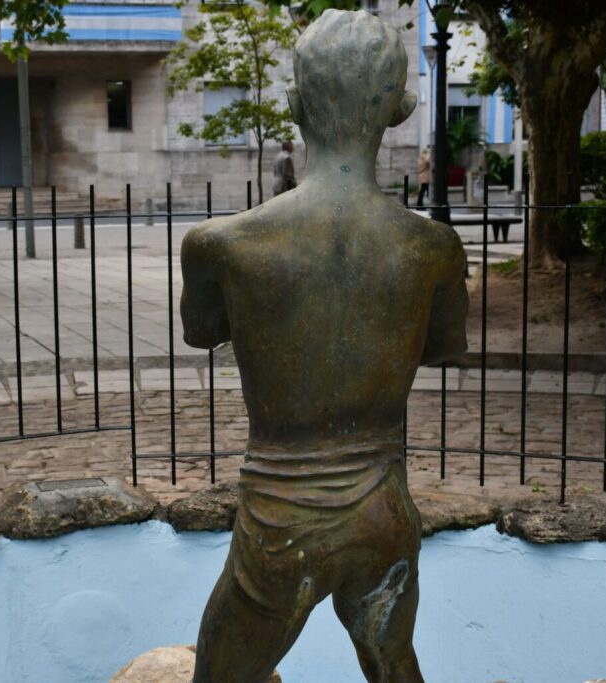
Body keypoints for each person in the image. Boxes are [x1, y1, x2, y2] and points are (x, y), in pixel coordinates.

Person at [181, 10, 468, 682]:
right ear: (399, 110)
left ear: (294, 102)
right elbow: (442, 347)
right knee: (393, 663)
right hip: (384, 512)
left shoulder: (223, 245)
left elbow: (203, 331)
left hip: (279, 526)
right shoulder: (432, 248)